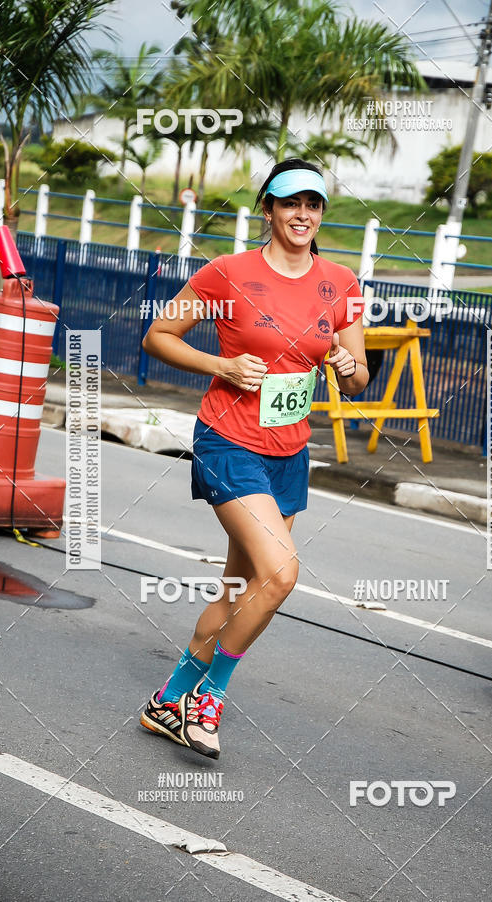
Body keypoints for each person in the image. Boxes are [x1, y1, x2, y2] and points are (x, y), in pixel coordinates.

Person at [139, 158, 369, 759]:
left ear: (321, 214)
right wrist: (222, 365)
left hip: (289, 452)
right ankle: (209, 699)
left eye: (313, 205)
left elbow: (359, 376)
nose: (302, 214)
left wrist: (349, 369)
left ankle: (169, 699)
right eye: (290, 203)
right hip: (228, 440)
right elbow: (159, 336)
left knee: (240, 587)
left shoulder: (341, 282)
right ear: (267, 209)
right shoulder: (228, 274)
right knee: (280, 574)